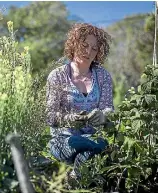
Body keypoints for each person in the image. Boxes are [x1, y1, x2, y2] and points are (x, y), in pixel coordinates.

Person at [46, 23, 114, 179]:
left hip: (94, 138)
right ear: (74, 44)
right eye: (84, 45)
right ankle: (100, 148)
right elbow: (50, 116)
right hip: (64, 141)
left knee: (92, 145)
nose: (89, 51)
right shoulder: (57, 76)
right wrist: (72, 119)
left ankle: (76, 176)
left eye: (94, 48)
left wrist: (103, 116)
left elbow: (108, 108)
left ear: (99, 52)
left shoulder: (103, 76)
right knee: (88, 143)